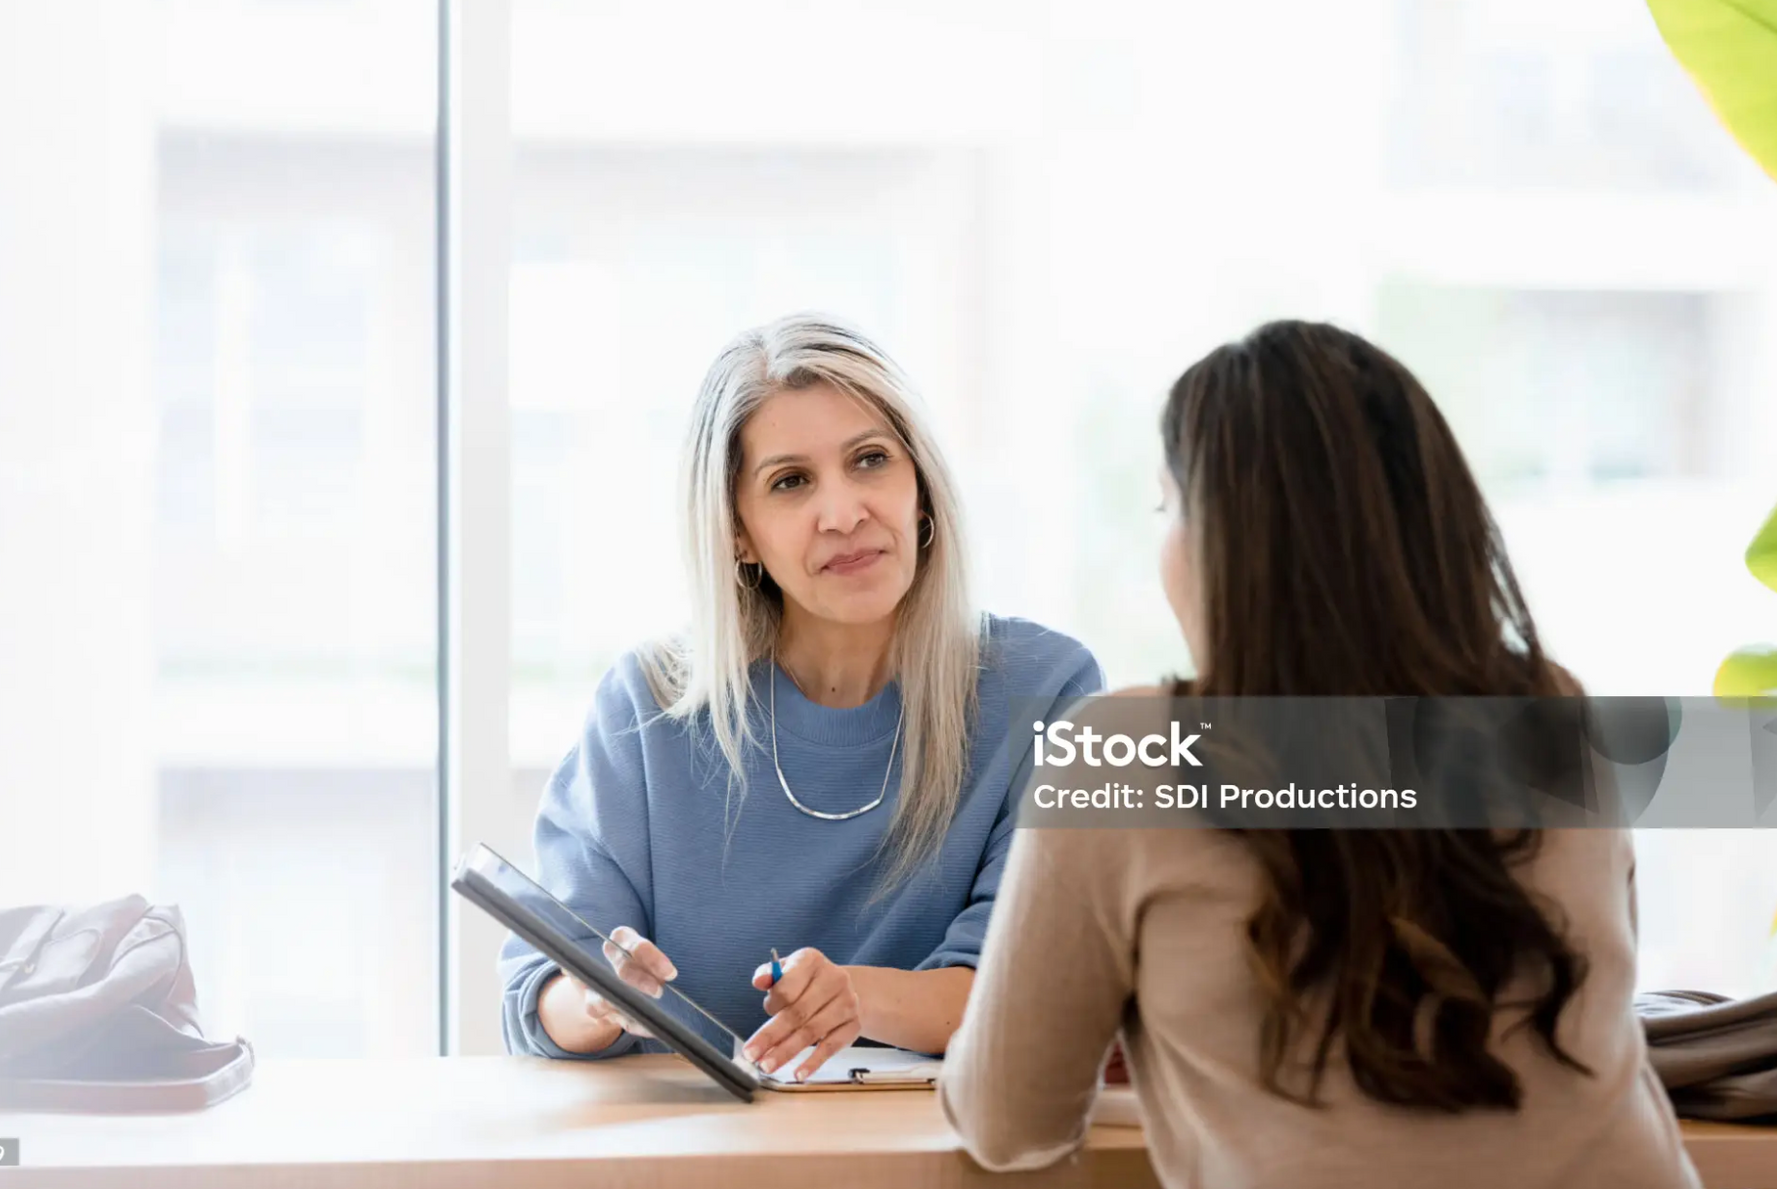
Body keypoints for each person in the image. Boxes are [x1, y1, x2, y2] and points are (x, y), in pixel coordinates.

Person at [940, 321, 1699, 1187]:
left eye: (1168, 508)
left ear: (1223, 541)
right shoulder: (1548, 708)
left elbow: (1007, 1125)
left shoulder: (1121, 754)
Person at [501, 314, 1103, 1081]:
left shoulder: (1048, 692)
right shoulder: (648, 705)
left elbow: (1033, 989)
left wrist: (857, 996)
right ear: (737, 532)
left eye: (870, 460)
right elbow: (537, 988)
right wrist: (596, 997)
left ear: (920, 488)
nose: (844, 512)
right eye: (790, 482)